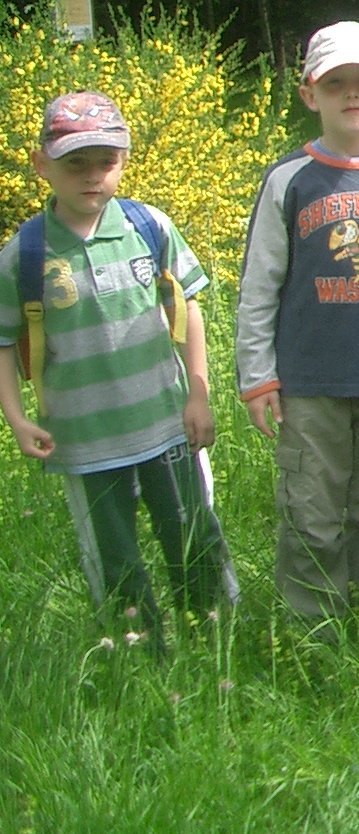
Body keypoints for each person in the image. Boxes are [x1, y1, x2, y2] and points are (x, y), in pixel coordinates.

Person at [0, 92, 236, 636]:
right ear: (41, 165)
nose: (92, 176)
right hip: (84, 442)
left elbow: (187, 307)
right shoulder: (24, 255)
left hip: (166, 425)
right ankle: (138, 649)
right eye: (74, 164)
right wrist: (16, 418)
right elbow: (4, 340)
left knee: (192, 535)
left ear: (124, 162)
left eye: (105, 162)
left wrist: (198, 395)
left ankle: (215, 638)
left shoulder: (148, 227)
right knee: (115, 557)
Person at [236, 22, 359, 621]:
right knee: (311, 514)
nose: (351, 93)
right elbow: (259, 286)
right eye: (334, 84)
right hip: (309, 384)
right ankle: (313, 632)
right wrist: (258, 376)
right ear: (309, 94)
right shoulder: (288, 180)